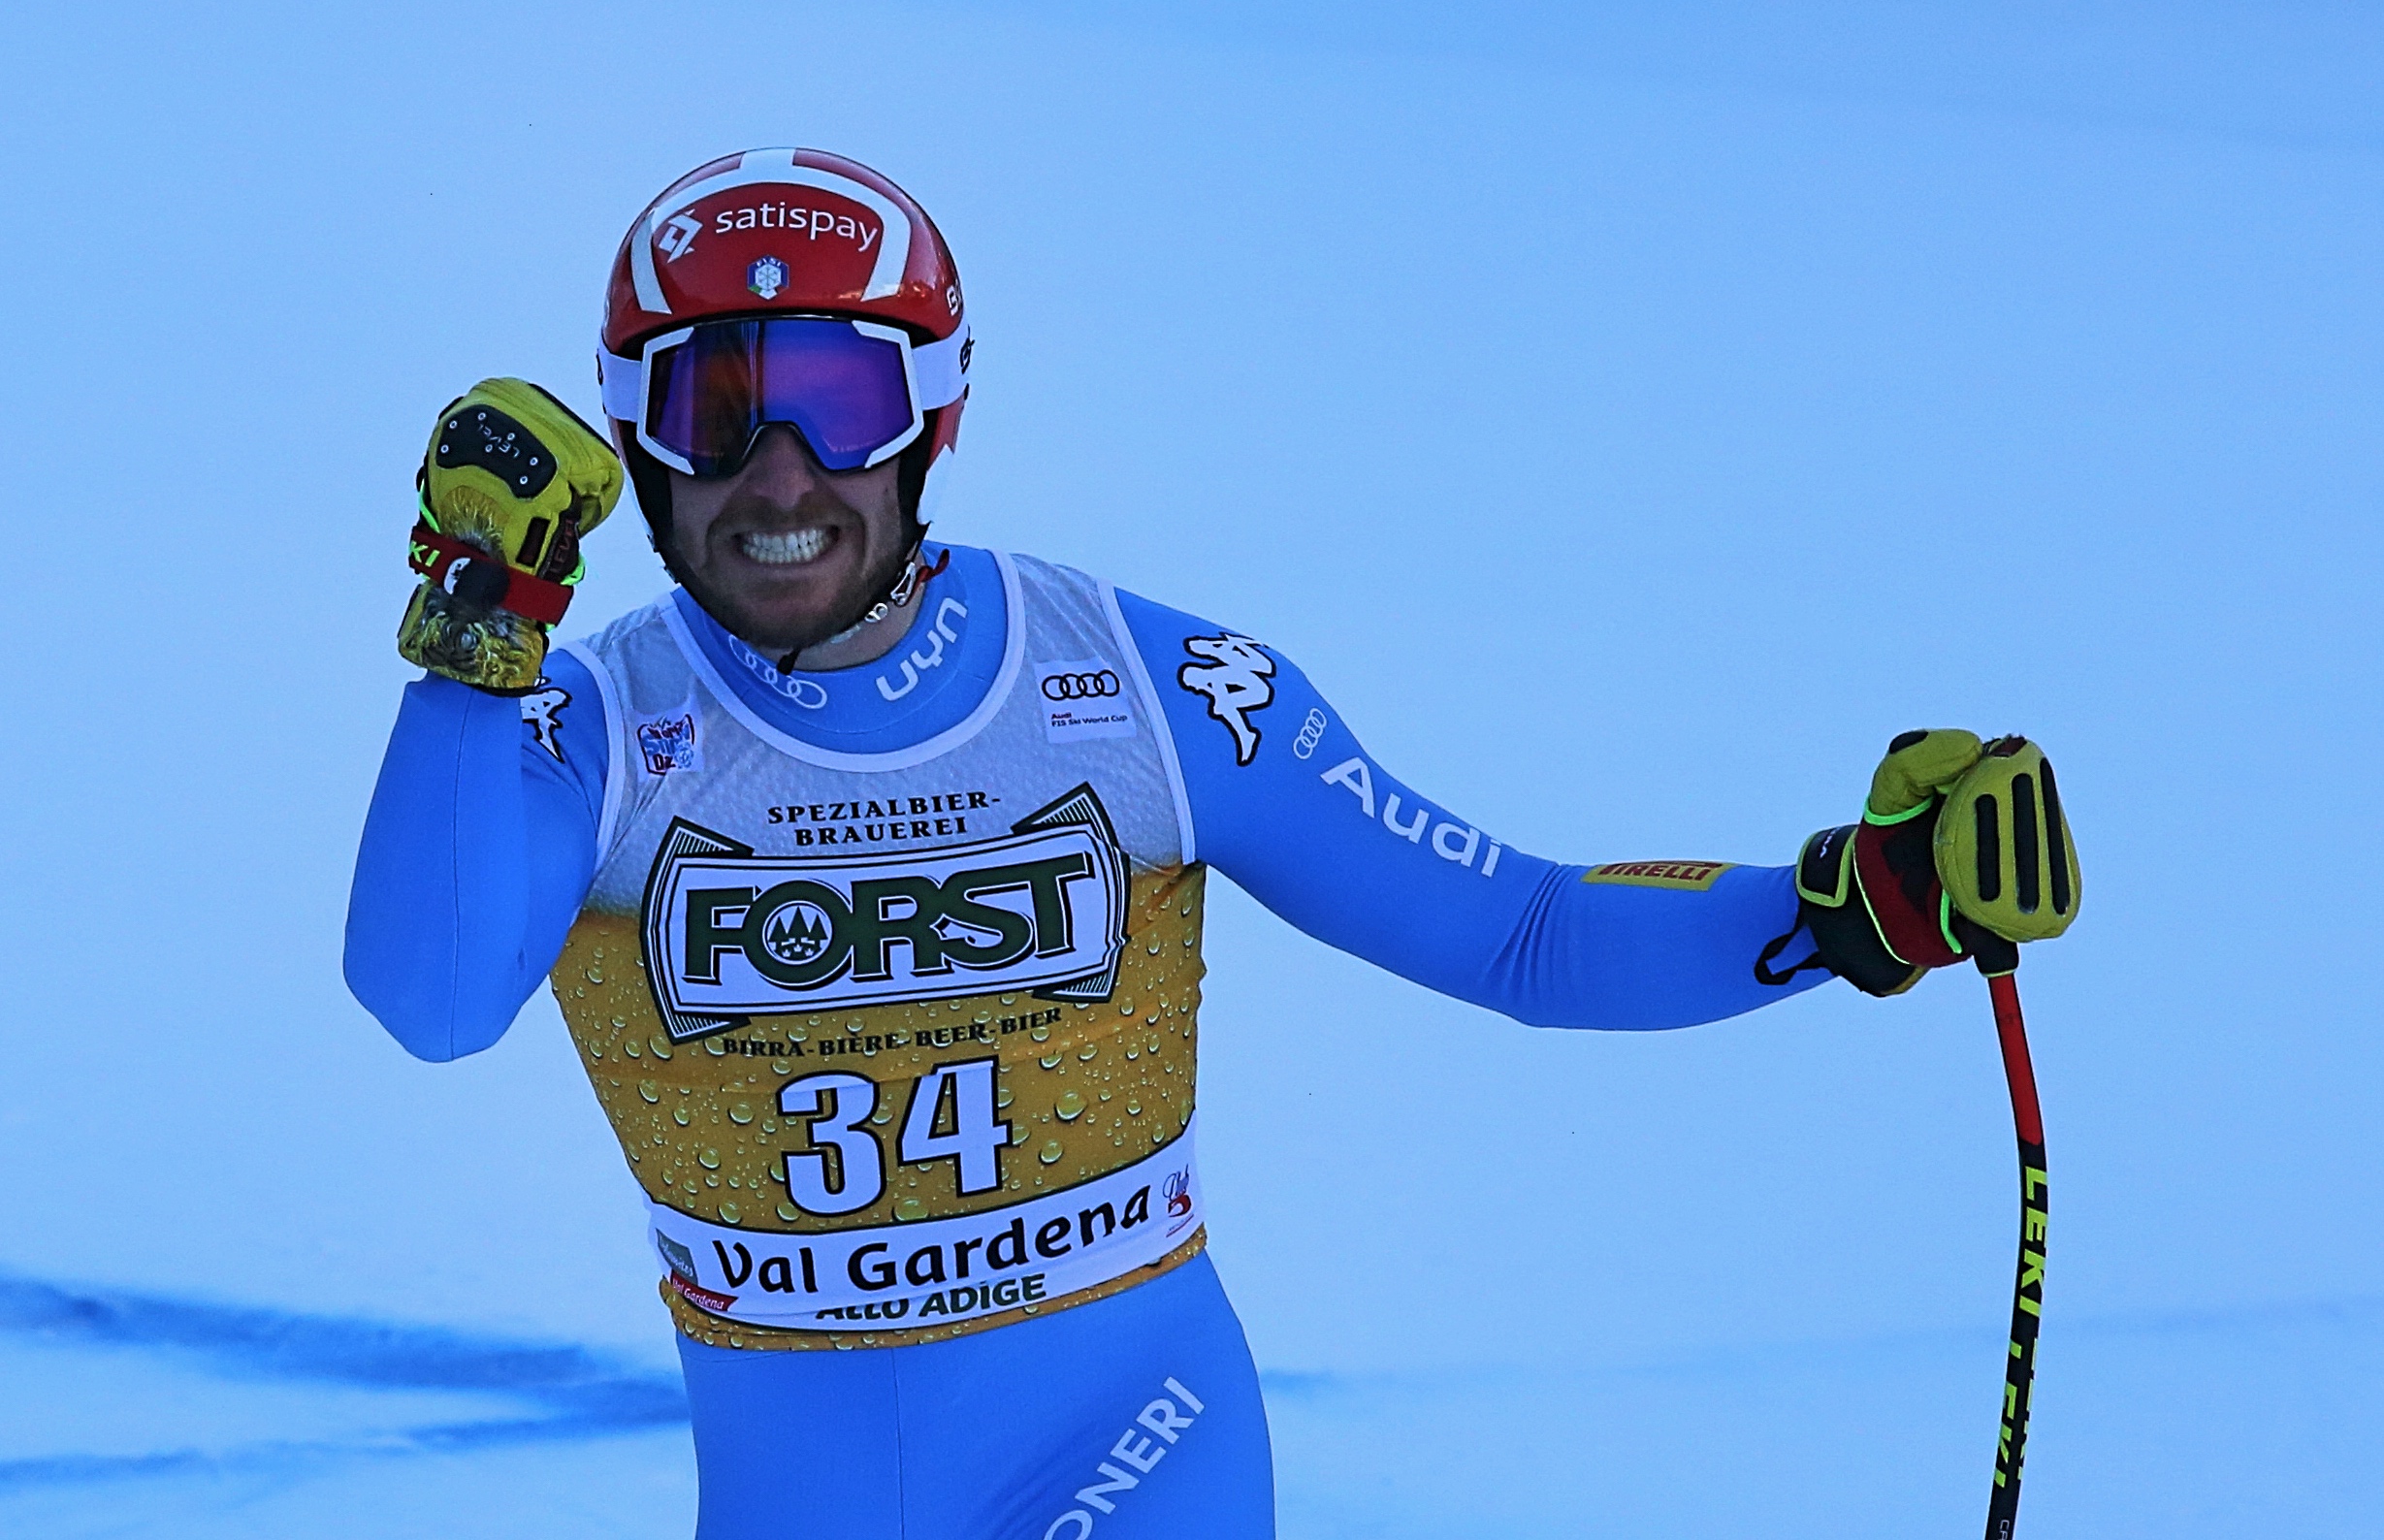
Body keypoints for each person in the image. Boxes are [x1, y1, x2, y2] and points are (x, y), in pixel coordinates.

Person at [345, 148, 2074, 1539]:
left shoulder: (1140, 688)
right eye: (711, 405)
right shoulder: (579, 730)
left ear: (935, 414)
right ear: (628, 441)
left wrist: (1864, 908)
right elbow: (425, 996)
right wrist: (475, 634)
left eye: (840, 399)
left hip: (1133, 1446)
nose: (779, 472)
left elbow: (1522, 932)